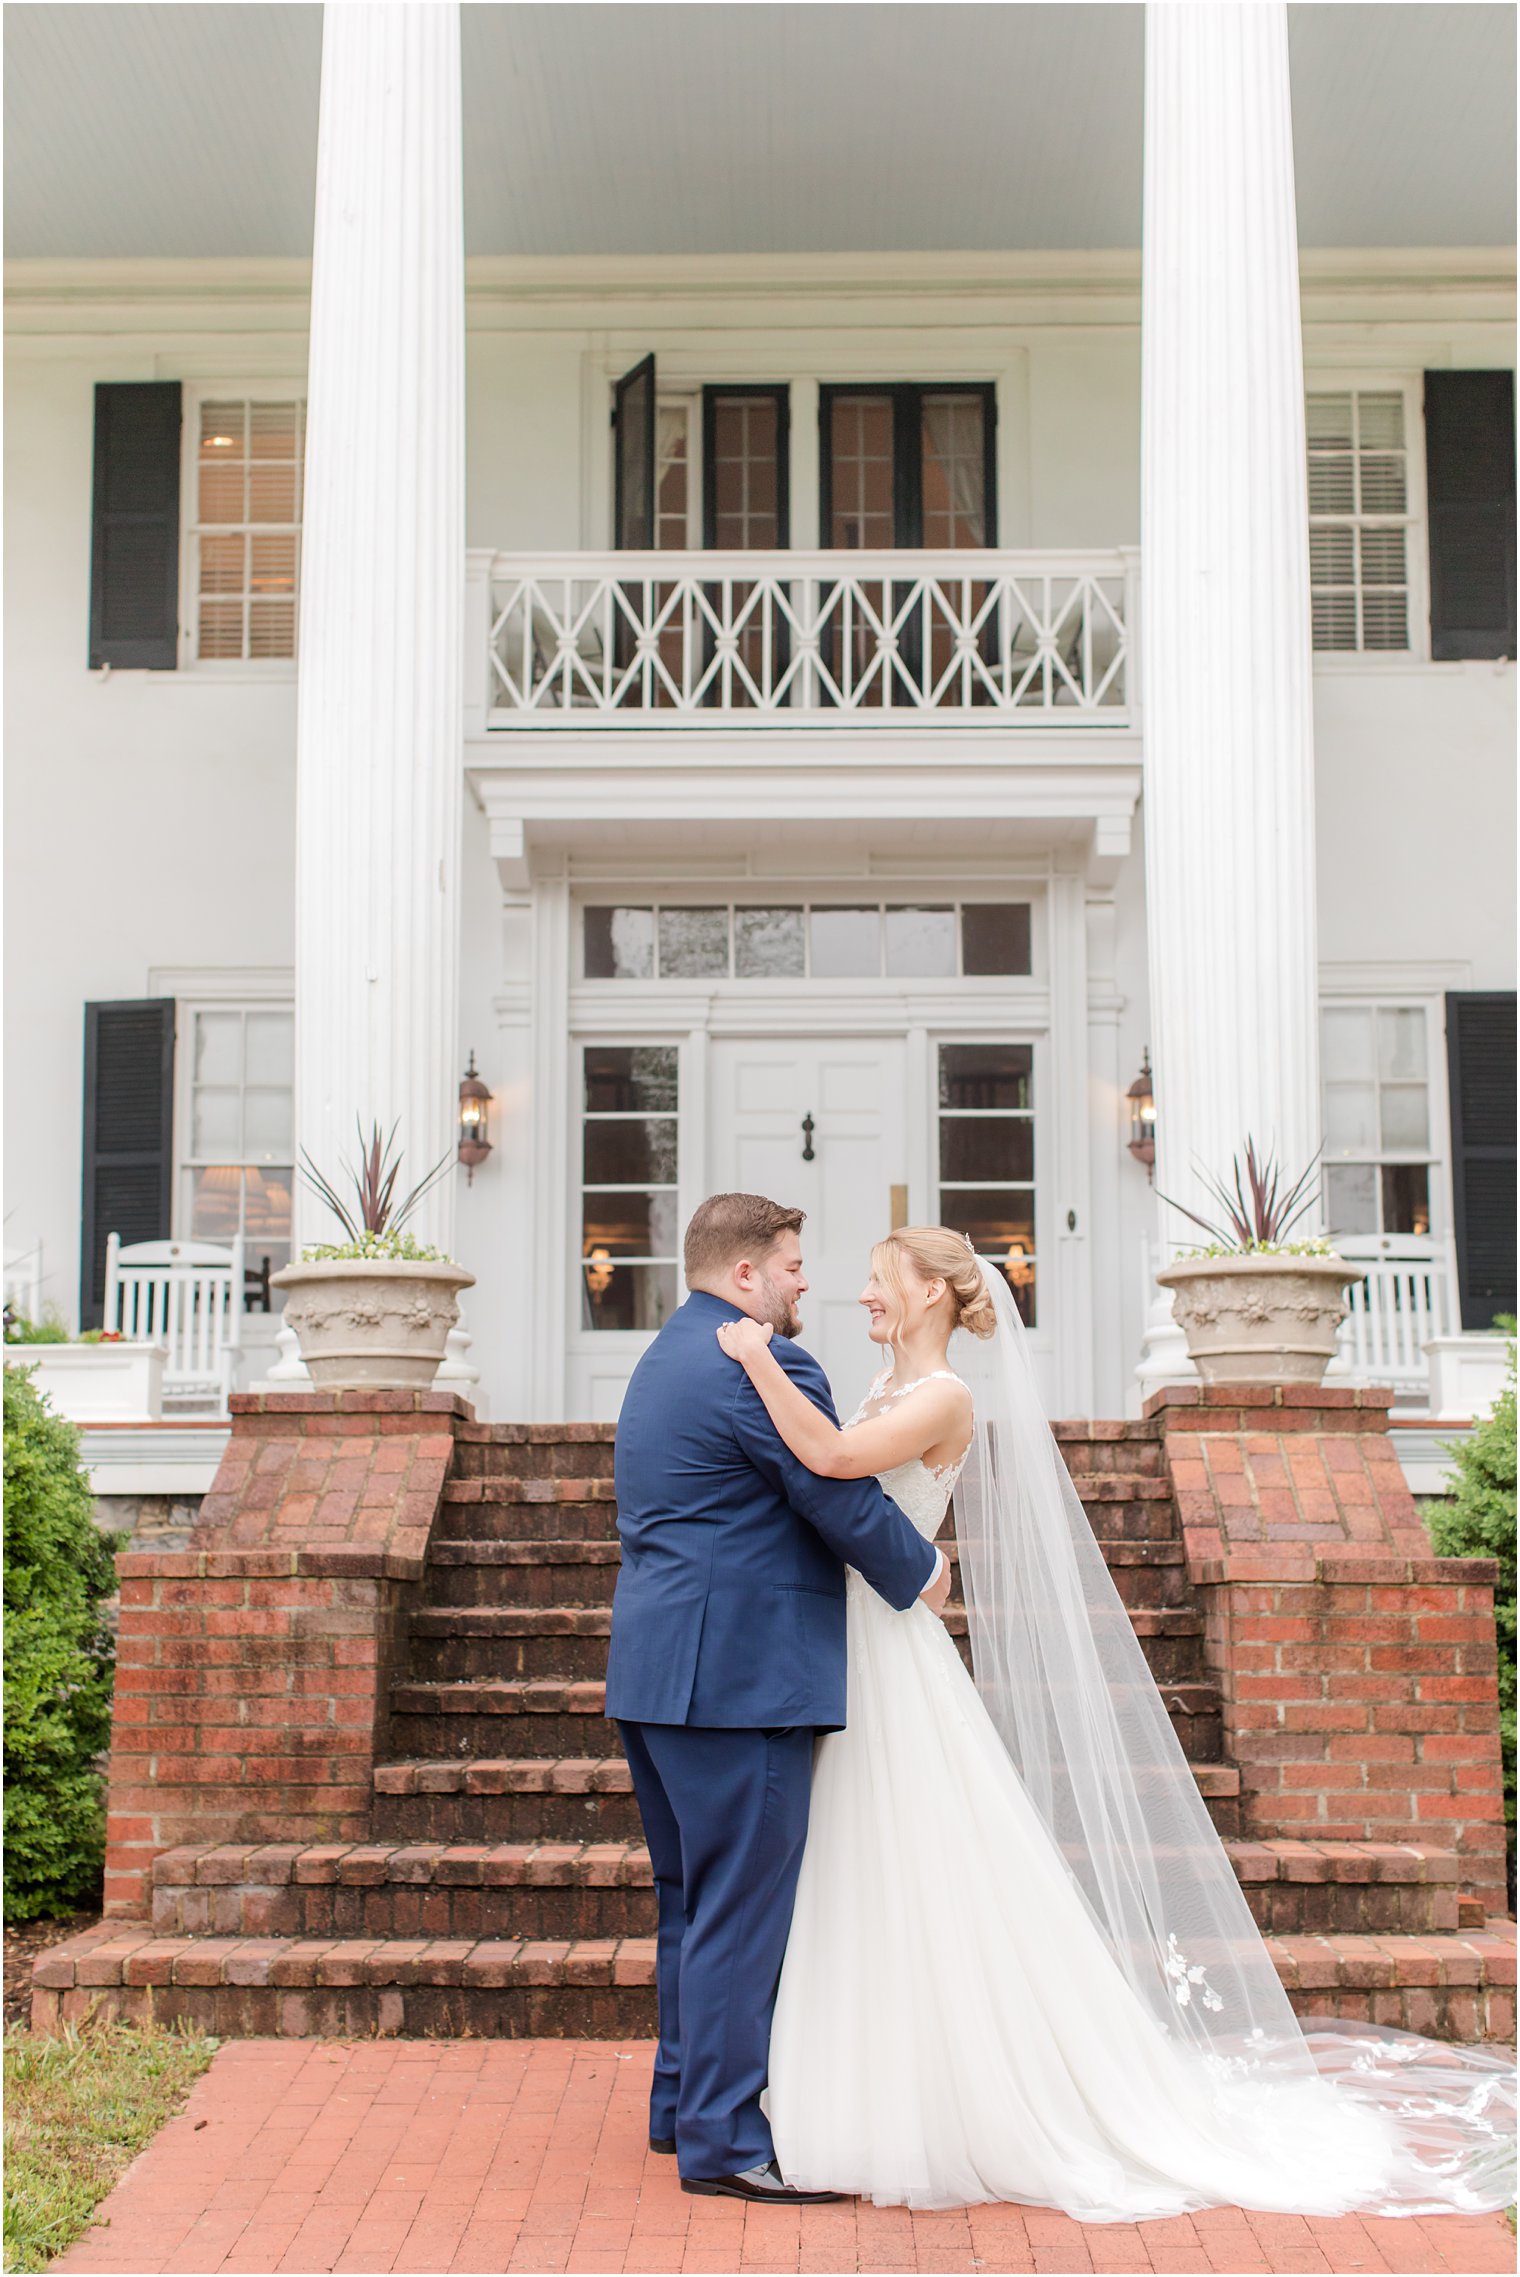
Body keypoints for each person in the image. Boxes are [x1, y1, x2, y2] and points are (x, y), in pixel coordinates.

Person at [715, 1224, 1516, 2220]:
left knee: (910, 1857)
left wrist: (752, 1357)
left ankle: (947, 2101)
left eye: (879, 1282)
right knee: (856, 1865)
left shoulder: (942, 1397)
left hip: (890, 1658)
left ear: (927, 1295)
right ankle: (843, 2085)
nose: (863, 1297)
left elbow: (831, 1459)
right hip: (849, 1641)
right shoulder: (877, 1386)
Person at [604, 1192, 953, 2203]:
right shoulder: (757, 1358)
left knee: (689, 1905)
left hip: (658, 1672)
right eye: (793, 1262)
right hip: (740, 1683)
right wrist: (922, 1571)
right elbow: (829, 1492)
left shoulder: (665, 1353)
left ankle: (681, 2109)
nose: (807, 1280)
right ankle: (721, 2141)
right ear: (745, 1273)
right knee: (740, 1914)